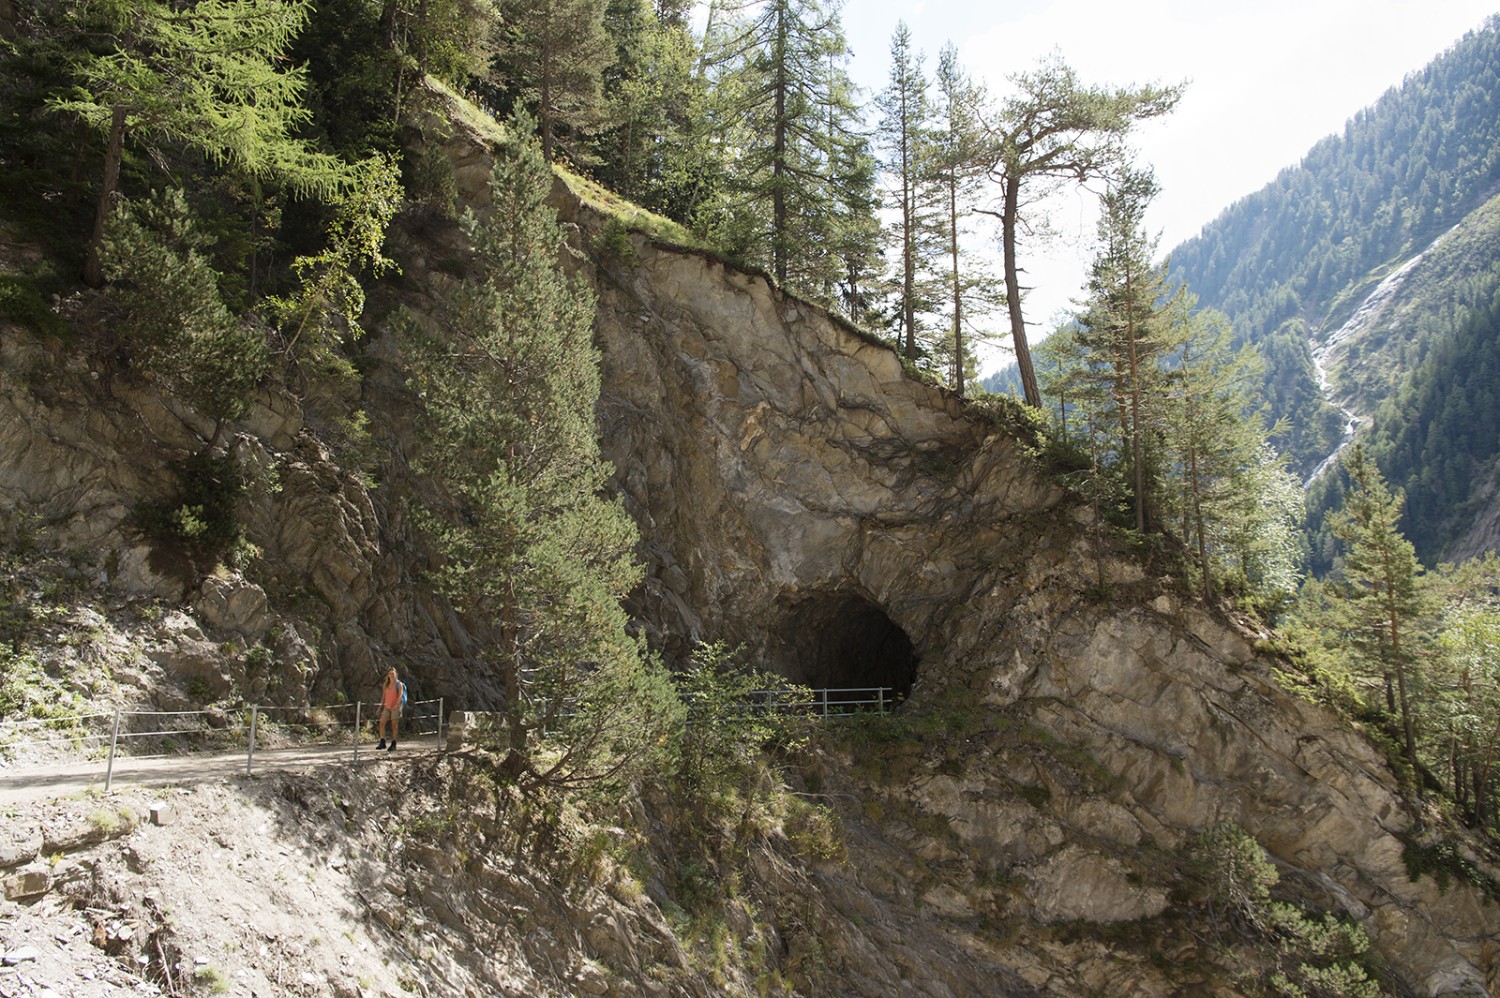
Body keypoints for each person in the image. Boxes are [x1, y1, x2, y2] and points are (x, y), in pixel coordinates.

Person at [375, 667, 402, 751]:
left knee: (394, 725)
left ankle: (394, 743)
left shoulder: (399, 684)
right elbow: (383, 697)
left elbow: (400, 696)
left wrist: (397, 705)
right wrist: (379, 708)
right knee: (382, 722)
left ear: (396, 674)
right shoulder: (386, 685)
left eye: (393, 673)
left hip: (395, 707)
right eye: (390, 674)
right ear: (388, 675)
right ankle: (382, 741)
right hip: (387, 706)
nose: (391, 675)